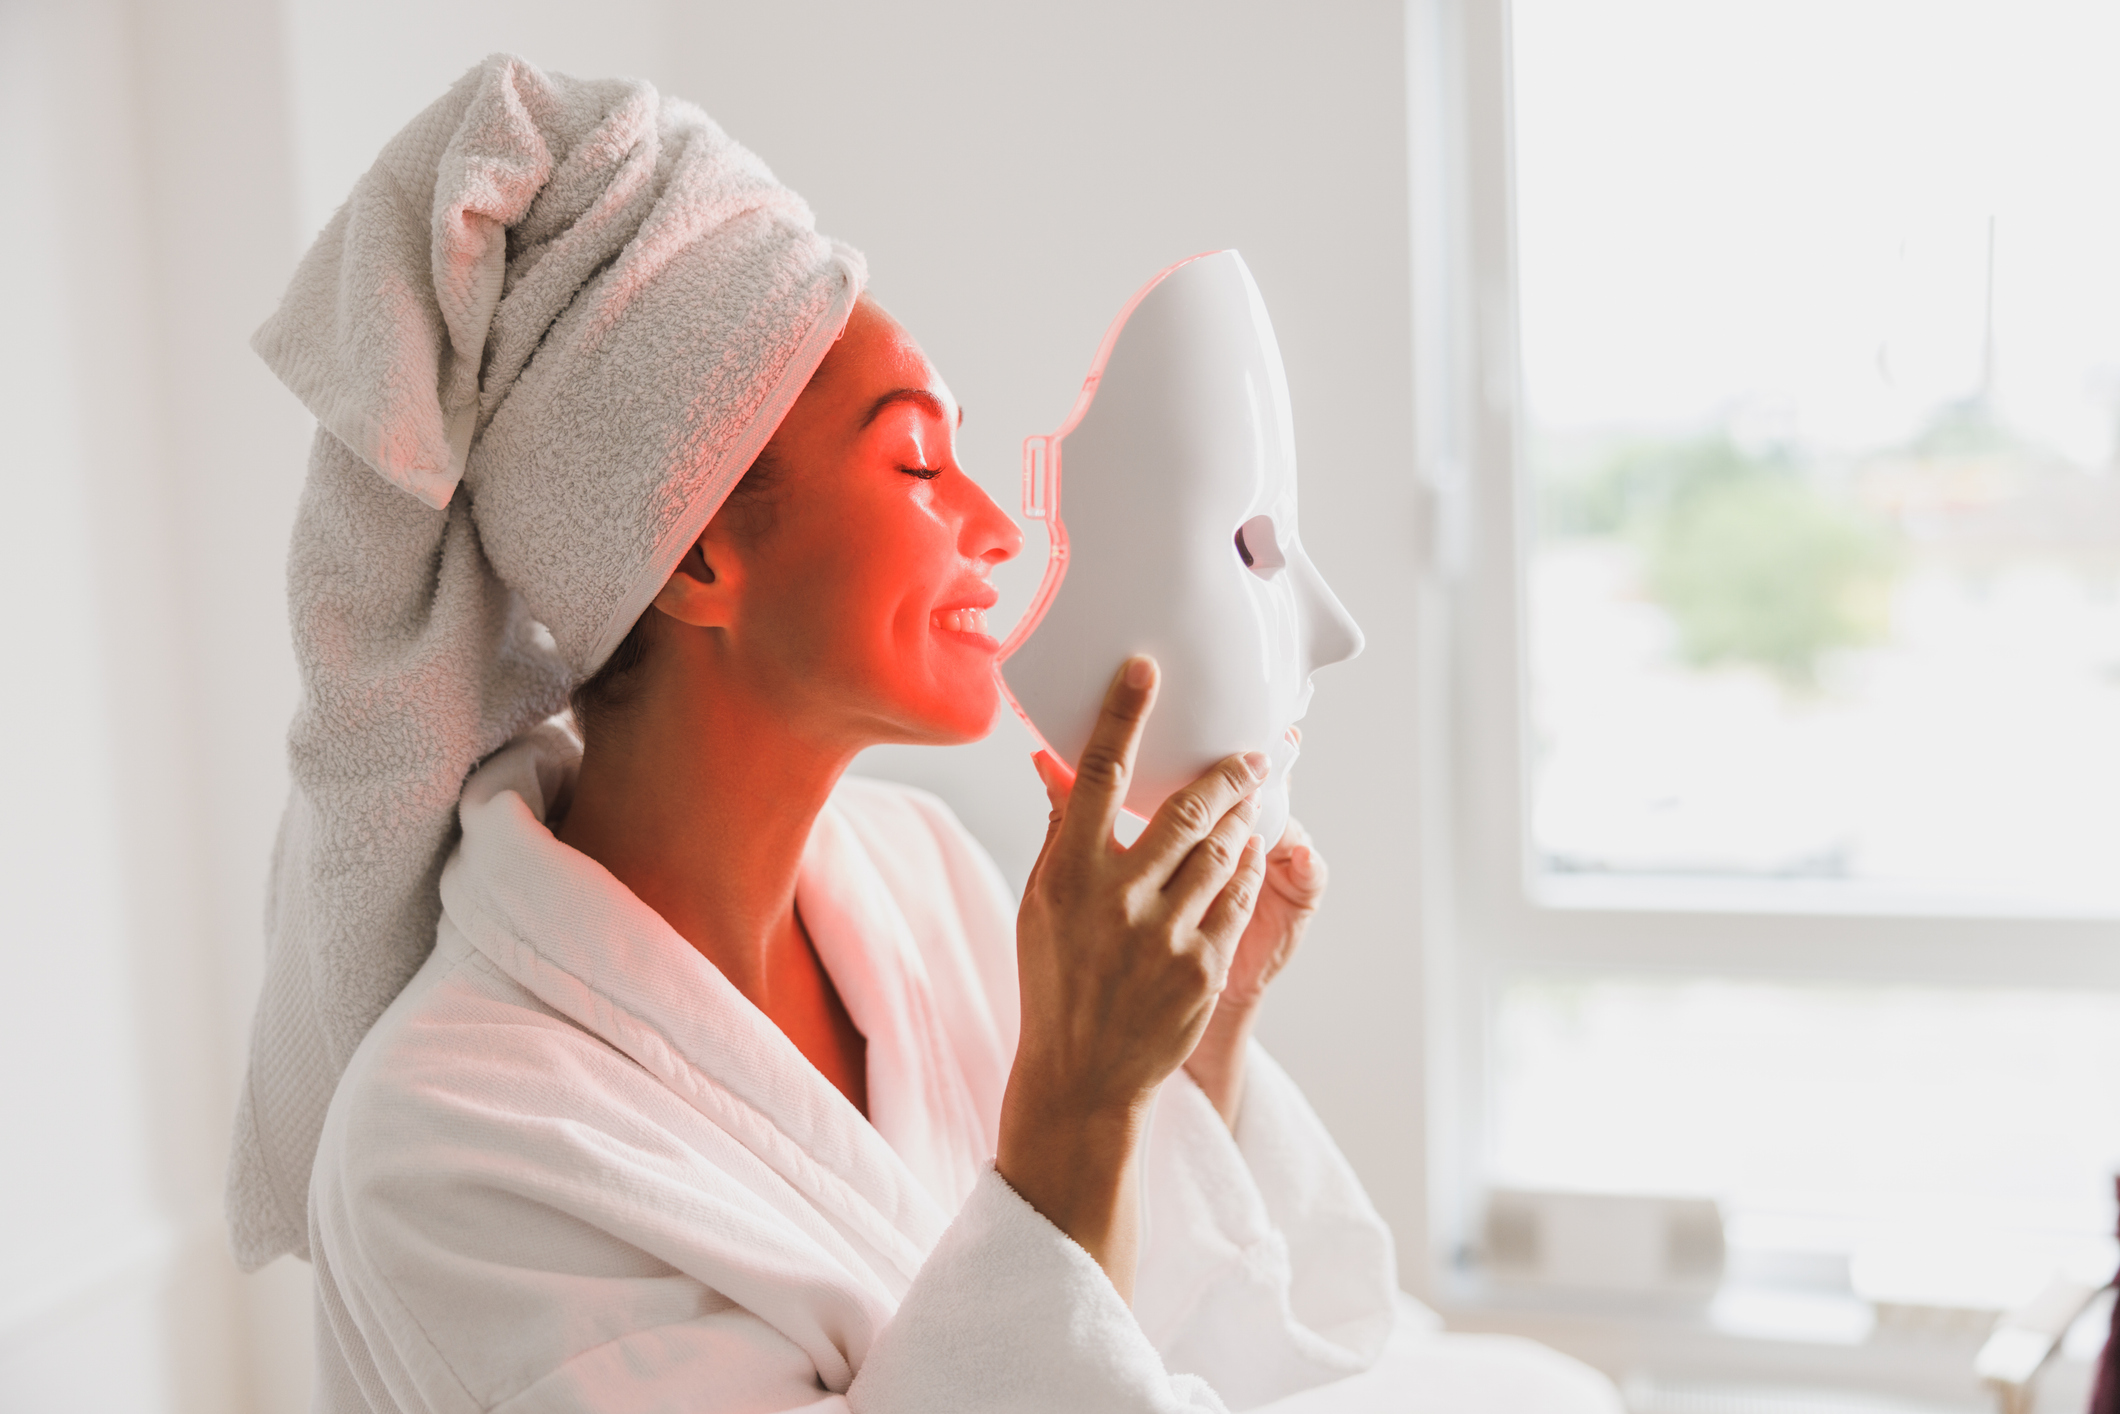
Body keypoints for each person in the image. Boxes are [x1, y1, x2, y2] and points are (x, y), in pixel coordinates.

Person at [231, 53, 1620, 1414]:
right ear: (695, 548)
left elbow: (1170, 1342)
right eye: (916, 460)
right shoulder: (449, 1141)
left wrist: (1188, 1042)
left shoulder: (922, 872)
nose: (997, 525)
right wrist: (1078, 1092)